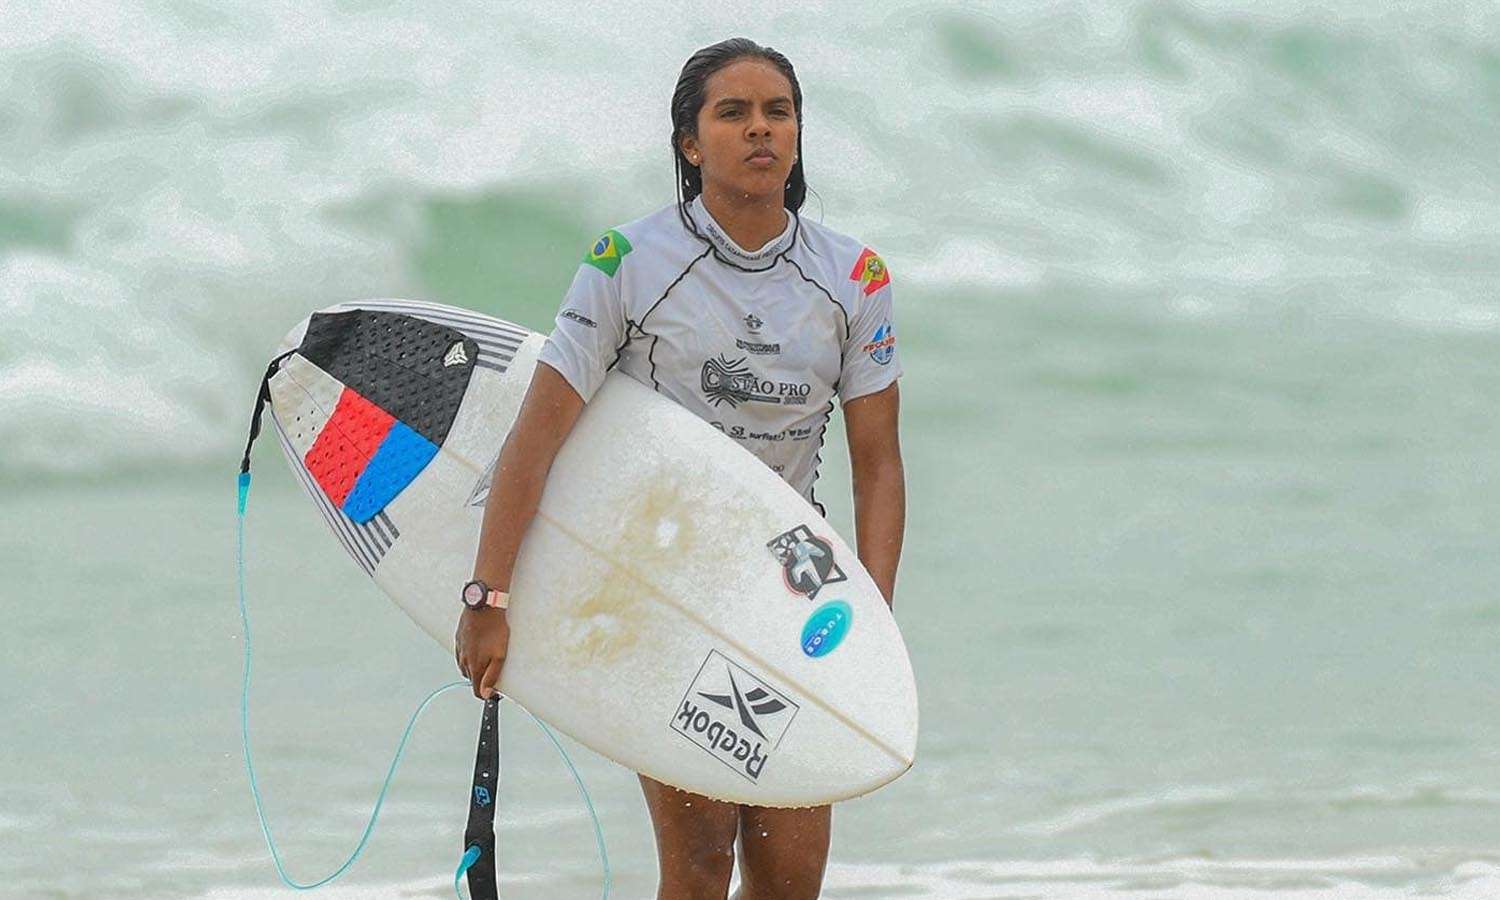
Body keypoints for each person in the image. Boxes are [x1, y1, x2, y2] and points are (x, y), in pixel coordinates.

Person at [454, 37, 905, 900]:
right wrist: (489, 594)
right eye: (731, 113)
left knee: (789, 878)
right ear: (691, 144)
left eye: (777, 111)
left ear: (800, 135)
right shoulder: (630, 262)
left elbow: (879, 467)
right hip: (667, 588)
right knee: (697, 865)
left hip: (793, 593)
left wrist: (871, 627)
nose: (759, 129)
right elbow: (536, 438)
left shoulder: (855, 275)